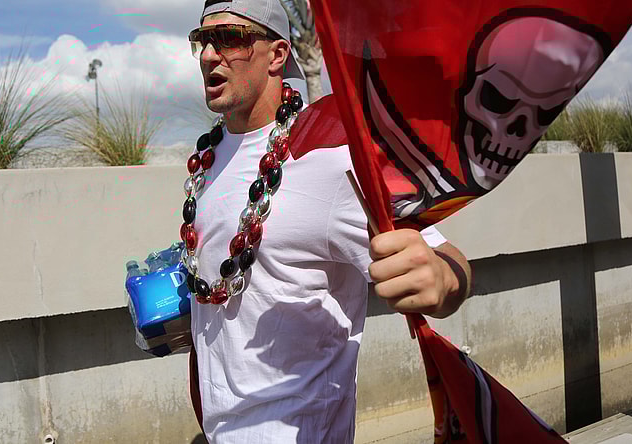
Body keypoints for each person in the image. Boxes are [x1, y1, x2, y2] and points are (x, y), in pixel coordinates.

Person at [182, 1, 472, 442]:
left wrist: (443, 280)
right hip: (218, 429)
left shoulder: (329, 156)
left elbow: (450, 261)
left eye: (228, 39)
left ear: (277, 54)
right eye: (203, 40)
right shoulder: (208, 159)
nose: (208, 55)